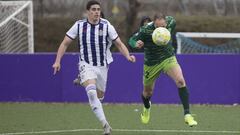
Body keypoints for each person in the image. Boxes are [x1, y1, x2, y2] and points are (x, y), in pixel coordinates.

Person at [52, 1, 136, 135]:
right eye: (93, 9)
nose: (96, 12)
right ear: (87, 12)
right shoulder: (79, 25)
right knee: (91, 93)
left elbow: (119, 44)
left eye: (98, 9)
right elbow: (65, 43)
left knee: (99, 97)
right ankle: (106, 125)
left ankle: (82, 80)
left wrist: (128, 56)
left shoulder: (106, 25)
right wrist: (57, 61)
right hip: (86, 64)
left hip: (103, 66)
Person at [128, 13, 197, 127]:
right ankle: (146, 107)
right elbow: (132, 40)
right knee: (147, 93)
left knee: (180, 81)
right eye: (158, 27)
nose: (161, 29)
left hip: (167, 57)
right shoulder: (145, 30)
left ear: (166, 23)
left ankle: (187, 115)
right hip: (151, 63)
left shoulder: (171, 22)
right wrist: (136, 43)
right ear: (154, 24)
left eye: (163, 27)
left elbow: (171, 24)